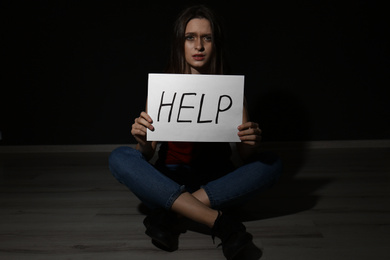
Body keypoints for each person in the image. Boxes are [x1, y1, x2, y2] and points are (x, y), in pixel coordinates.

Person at [109, 5, 282, 260]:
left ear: (215, 44)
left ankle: (170, 214)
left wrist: (251, 142)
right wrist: (142, 141)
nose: (198, 46)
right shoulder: (164, 87)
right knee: (119, 158)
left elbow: (245, 155)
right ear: (180, 43)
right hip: (169, 178)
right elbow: (146, 154)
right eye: (190, 37)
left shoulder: (229, 90)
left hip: (215, 181)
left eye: (207, 38)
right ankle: (221, 224)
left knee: (272, 164)